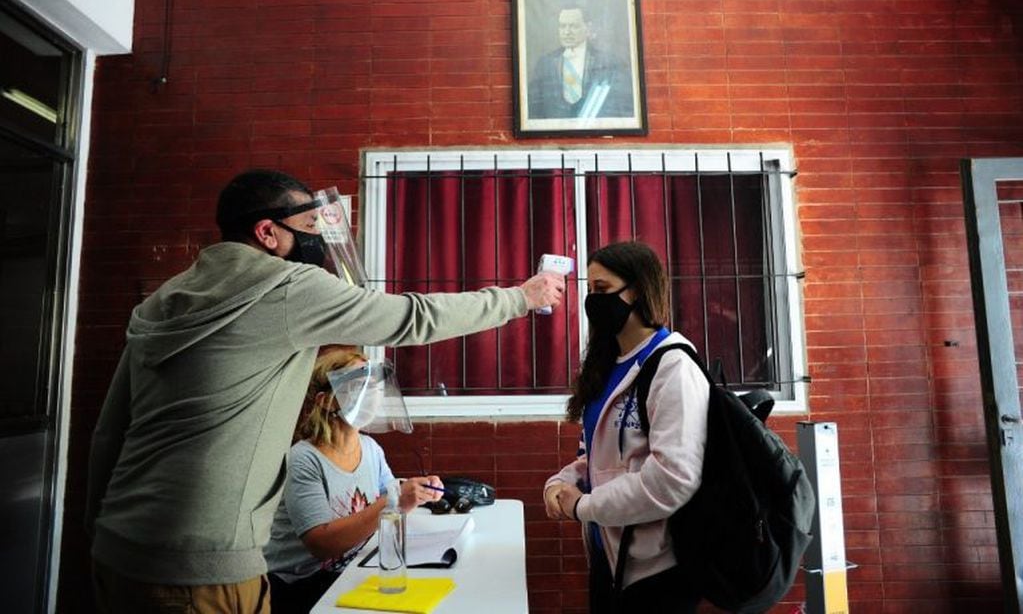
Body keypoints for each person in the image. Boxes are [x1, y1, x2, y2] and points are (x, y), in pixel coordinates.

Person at [86, 169, 565, 614]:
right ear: (267, 233)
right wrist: (520, 298)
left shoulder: (161, 301)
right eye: (311, 224)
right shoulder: (287, 286)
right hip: (202, 566)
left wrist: (96, 532)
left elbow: (110, 433)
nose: (320, 236)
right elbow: (412, 317)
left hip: (116, 548)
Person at [542, 241, 709, 614]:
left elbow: (674, 478)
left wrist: (583, 505)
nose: (592, 302)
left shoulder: (672, 367)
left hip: (659, 568)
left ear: (637, 290)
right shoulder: (607, 364)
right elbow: (599, 456)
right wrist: (562, 482)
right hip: (609, 554)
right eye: (589, 291)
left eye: (601, 290)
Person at [263, 346, 438, 613]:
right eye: (359, 386)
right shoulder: (304, 459)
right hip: (300, 588)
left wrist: (419, 494)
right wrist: (396, 498)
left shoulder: (370, 449)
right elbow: (322, 545)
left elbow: (391, 507)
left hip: (351, 573)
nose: (371, 396)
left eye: (374, 387)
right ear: (326, 401)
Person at [526, 5, 633, 120]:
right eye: (562, 26)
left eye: (574, 26)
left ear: (588, 28)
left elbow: (621, 107)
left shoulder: (608, 62)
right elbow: (534, 107)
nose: (567, 32)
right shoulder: (545, 63)